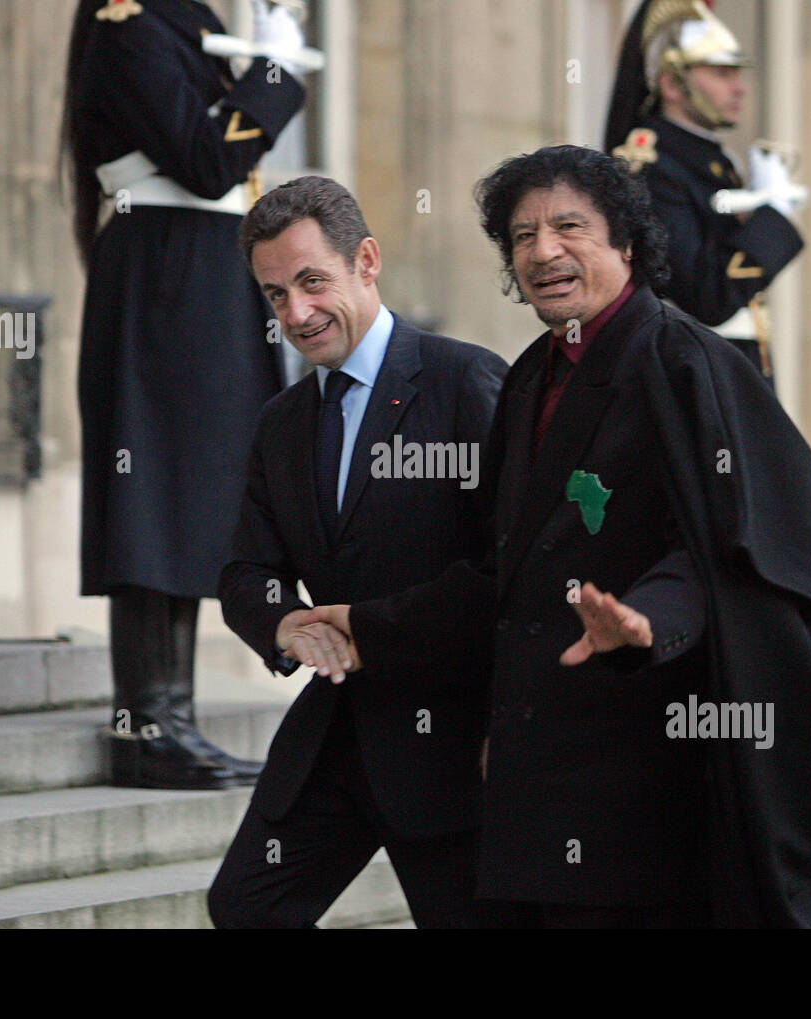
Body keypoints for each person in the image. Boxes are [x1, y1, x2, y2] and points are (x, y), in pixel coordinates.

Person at [310, 145, 811, 928]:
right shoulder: (527, 379)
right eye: (521, 236)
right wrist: (371, 622)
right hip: (541, 788)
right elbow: (499, 573)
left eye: (568, 226)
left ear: (626, 243)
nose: (542, 250)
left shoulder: (691, 365)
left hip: (651, 791)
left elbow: (739, 555)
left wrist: (649, 620)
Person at [205, 176, 508, 928]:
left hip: (452, 744)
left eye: (312, 282)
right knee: (246, 907)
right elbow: (247, 569)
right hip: (335, 740)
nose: (296, 313)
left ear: (366, 261)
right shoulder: (281, 423)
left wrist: (372, 628)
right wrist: (284, 624)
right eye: (275, 295)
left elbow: (509, 569)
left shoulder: (462, 381)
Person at [60, 0, 306, 788]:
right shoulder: (127, 25)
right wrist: (274, 75)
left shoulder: (183, 23)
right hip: (163, 273)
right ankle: (146, 724)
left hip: (200, 271)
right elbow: (207, 159)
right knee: (152, 493)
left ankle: (176, 718)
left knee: (195, 496)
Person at [604, 0, 803, 385]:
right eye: (721, 73)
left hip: (731, 363)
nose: (738, 87)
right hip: (690, 373)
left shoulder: (707, 156)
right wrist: (771, 217)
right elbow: (709, 296)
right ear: (671, 83)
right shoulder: (651, 165)